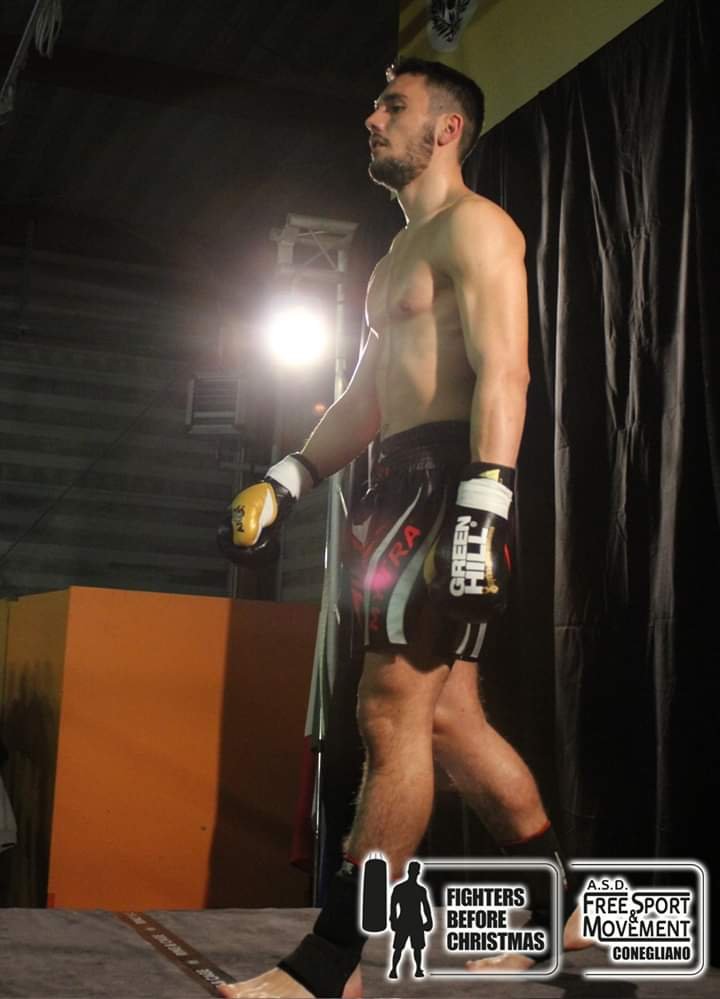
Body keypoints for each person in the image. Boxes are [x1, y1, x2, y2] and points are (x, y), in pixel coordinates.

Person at [217, 58, 587, 998]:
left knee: (390, 712)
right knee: (450, 719)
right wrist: (290, 475)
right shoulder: (394, 260)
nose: (372, 118)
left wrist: (484, 506)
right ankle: (564, 908)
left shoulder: (479, 228)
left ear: (446, 129)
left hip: (453, 482)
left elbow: (507, 372)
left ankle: (326, 965)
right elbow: (367, 397)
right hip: (396, 484)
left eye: (394, 105)